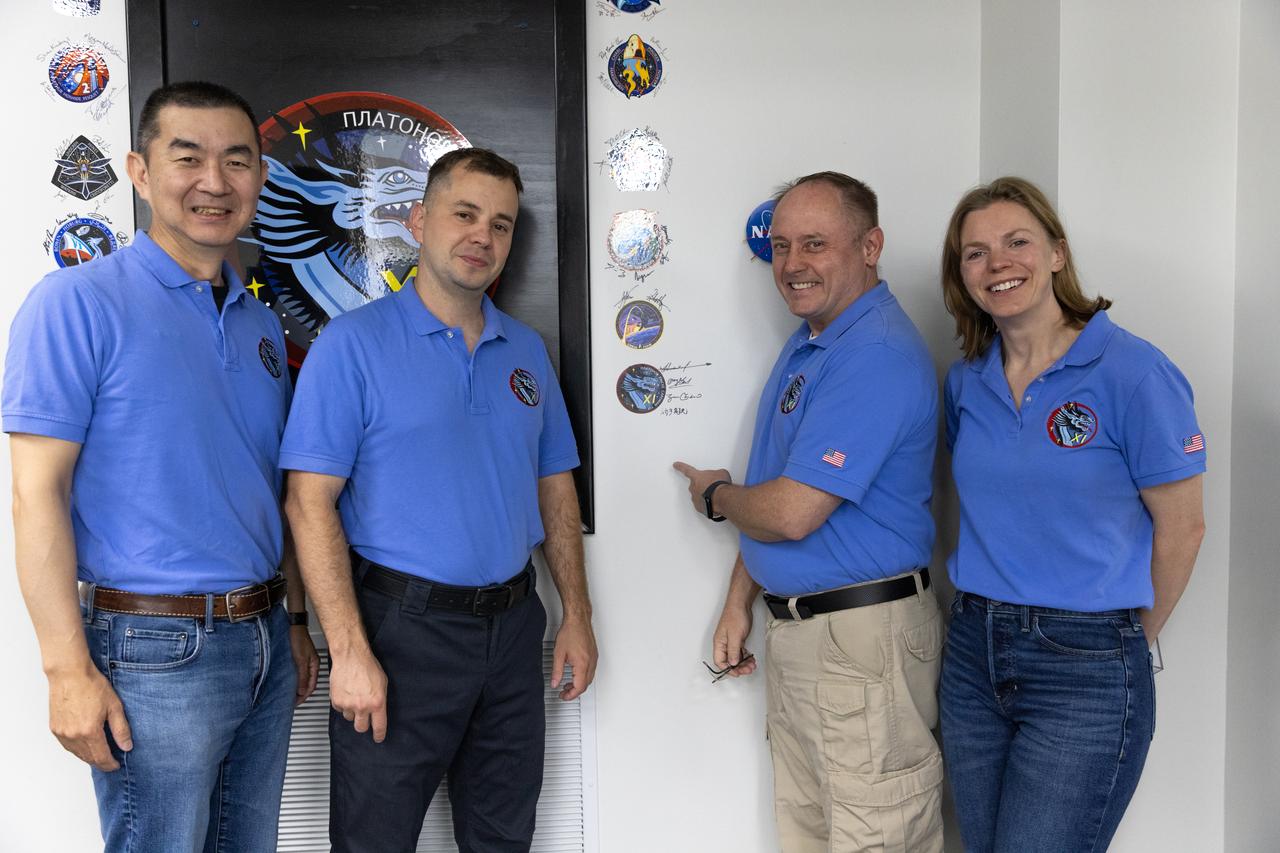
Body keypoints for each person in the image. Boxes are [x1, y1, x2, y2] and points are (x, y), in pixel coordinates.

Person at [3, 81, 319, 852]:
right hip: (152, 648)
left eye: (237, 161)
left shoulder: (260, 327)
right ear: (141, 172)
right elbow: (34, 491)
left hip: (267, 639)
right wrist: (64, 671)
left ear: (261, 180)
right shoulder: (75, 303)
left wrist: (298, 621)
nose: (215, 181)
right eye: (189, 158)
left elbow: (266, 487)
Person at [281, 147, 598, 853]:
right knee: (374, 841)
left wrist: (577, 613)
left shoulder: (527, 352)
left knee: (503, 837)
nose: (483, 236)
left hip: (514, 628)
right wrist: (350, 651)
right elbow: (308, 504)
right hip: (401, 632)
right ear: (420, 220)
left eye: (502, 223)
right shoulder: (352, 345)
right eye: (464, 214)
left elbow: (555, 486)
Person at [674, 172, 944, 852]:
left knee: (873, 837)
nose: (793, 264)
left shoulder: (873, 353)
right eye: (783, 245)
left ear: (870, 245)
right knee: (811, 836)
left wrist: (714, 496)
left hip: (860, 643)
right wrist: (742, 596)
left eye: (816, 244)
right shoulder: (812, 343)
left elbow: (791, 511)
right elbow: (780, 484)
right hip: (813, 637)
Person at [937, 176, 1206, 852]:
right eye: (975, 252)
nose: (997, 263)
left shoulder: (1133, 372)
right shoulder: (967, 378)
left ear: (1057, 253)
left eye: (1016, 241)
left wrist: (1120, 641)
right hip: (972, 650)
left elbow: (1184, 526)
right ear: (961, 274)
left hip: (1084, 666)